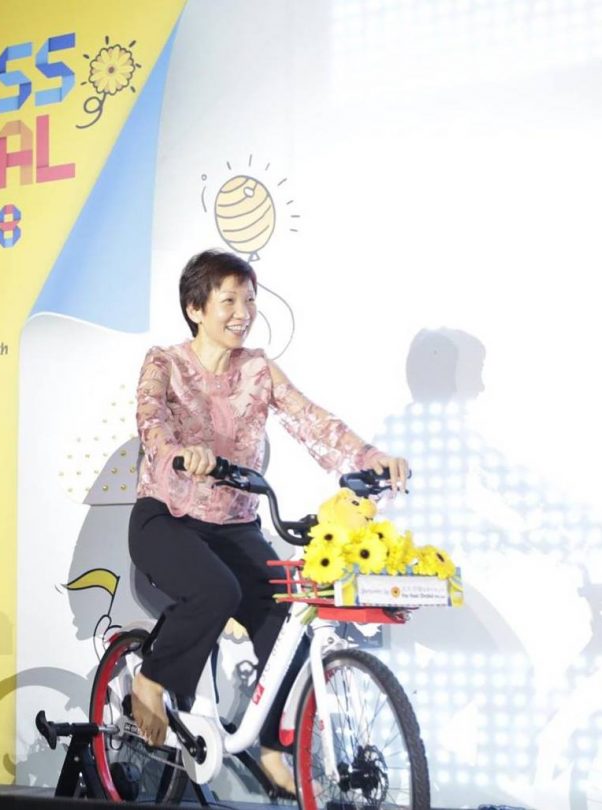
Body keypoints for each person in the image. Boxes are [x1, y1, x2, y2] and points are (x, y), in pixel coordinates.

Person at [128, 250, 409, 795]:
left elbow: (311, 420)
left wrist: (367, 457)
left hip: (234, 525)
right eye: (228, 300)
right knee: (217, 590)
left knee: (290, 610)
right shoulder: (164, 362)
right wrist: (180, 452)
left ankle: (274, 744)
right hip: (167, 516)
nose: (243, 311)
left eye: (250, 299)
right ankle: (151, 676)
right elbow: (151, 420)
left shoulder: (258, 368)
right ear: (195, 308)